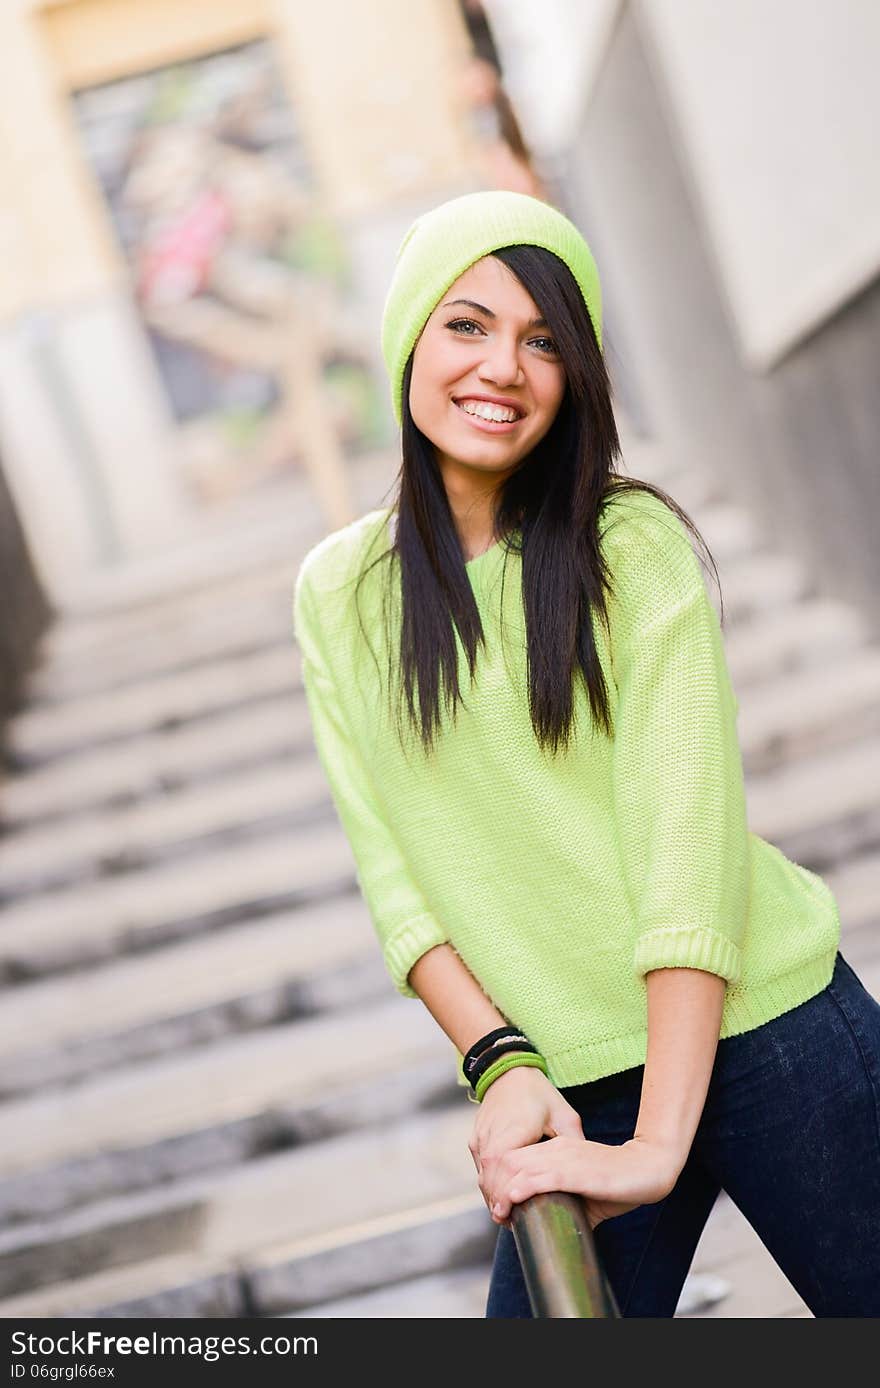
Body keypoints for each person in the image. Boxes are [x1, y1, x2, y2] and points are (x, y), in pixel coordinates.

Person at [292, 189, 880, 1318]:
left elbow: (685, 852)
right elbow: (395, 874)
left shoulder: (631, 546)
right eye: (467, 324)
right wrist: (500, 1062)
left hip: (768, 1032)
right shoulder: (338, 592)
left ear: (577, 379)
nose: (501, 366)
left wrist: (658, 1141)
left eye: (543, 340)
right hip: (567, 1075)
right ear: (408, 336)